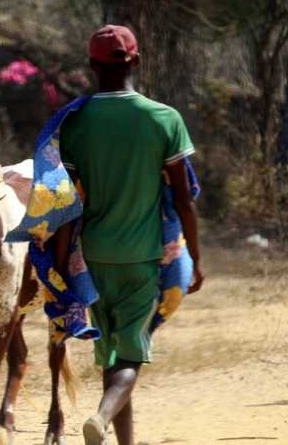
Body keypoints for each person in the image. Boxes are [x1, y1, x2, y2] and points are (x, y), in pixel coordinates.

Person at [57, 25, 204, 445]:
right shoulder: (164, 118)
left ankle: (123, 440)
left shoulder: (75, 123)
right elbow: (183, 200)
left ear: (91, 66)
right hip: (142, 257)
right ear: (135, 62)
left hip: (92, 258)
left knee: (112, 356)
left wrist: (64, 267)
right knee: (132, 356)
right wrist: (194, 257)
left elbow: (65, 203)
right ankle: (101, 417)